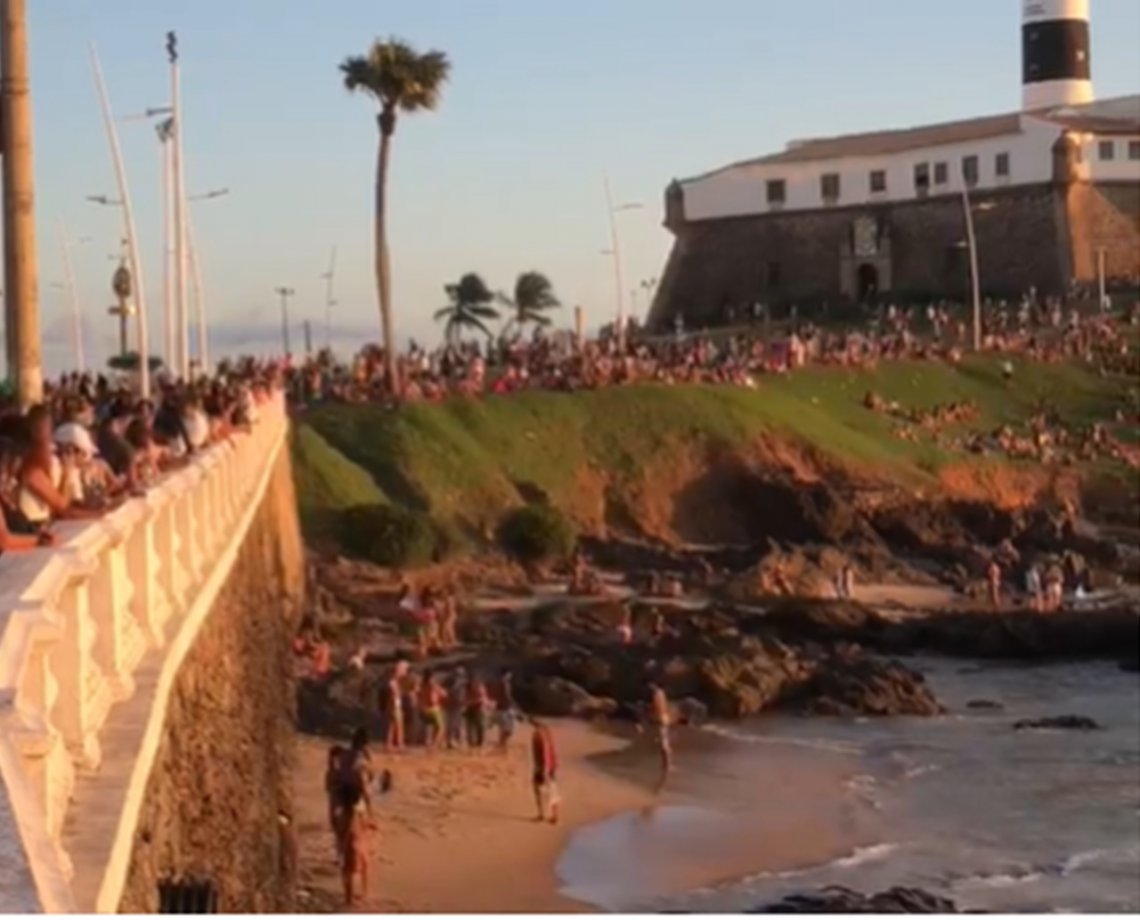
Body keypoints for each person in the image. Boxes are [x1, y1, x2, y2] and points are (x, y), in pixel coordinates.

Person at [530, 718, 560, 824]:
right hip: (551, 767)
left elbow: (544, 753)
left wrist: (544, 769)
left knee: (539, 789)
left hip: (542, 767)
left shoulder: (539, 735)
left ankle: (542, 814)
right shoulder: (547, 734)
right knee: (552, 790)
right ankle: (553, 815)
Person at [648, 682, 673, 789]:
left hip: (660, 720)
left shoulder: (657, 694)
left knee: (664, 745)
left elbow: (658, 708)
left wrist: (653, 716)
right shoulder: (661, 693)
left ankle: (667, 766)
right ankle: (667, 765)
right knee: (663, 744)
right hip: (663, 719)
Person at [419, 668, 446, 749]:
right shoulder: (433, 684)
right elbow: (442, 694)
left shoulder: (422, 684)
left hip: (424, 708)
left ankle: (429, 743)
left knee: (430, 727)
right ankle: (434, 745)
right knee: (441, 728)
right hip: (434, 708)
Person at [384, 661, 409, 751]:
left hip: (394, 706)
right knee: (399, 725)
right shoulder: (393, 681)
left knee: (392, 725)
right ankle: (400, 744)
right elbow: (395, 694)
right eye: (404, 669)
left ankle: (389, 744)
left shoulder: (395, 681)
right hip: (395, 706)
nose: (405, 672)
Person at [492, 668, 517, 752]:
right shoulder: (504, 683)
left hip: (503, 708)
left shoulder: (501, 683)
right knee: (508, 728)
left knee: (504, 728)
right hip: (504, 708)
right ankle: (502, 745)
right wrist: (513, 704)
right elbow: (507, 696)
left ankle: (502, 745)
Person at [465, 675, 490, 750]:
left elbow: (482, 699)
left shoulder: (479, 687)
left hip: (477, 708)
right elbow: (482, 699)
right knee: (473, 727)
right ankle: (474, 744)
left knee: (479, 727)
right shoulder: (470, 688)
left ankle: (478, 744)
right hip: (474, 708)